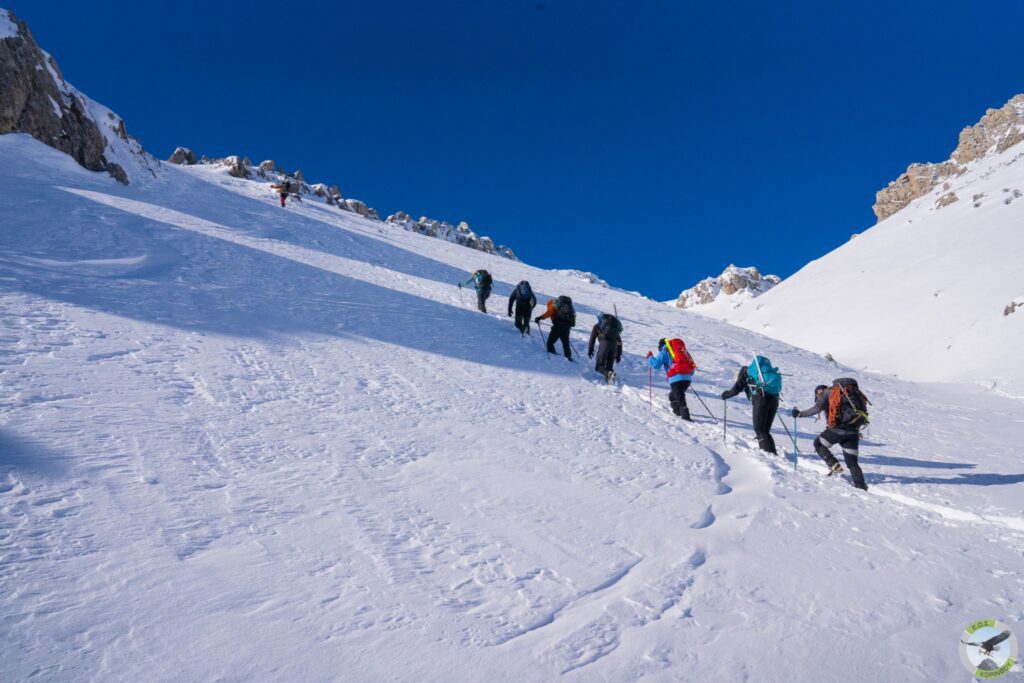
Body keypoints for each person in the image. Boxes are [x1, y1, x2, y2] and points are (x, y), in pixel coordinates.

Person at [791, 378, 870, 491]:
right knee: (853, 463)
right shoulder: (856, 393)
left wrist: (800, 414)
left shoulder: (830, 392)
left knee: (818, 444)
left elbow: (817, 408)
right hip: (853, 432)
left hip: (837, 430)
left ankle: (833, 464)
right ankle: (861, 487)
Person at [720, 356, 782, 455]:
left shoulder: (745, 372)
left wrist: (725, 395)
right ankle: (773, 453)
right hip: (774, 399)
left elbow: (736, 389)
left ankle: (767, 454)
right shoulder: (767, 374)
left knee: (759, 430)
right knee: (765, 430)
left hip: (761, 399)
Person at [647, 338, 696, 421]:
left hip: (675, 378)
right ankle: (677, 412)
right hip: (687, 378)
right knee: (673, 396)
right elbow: (691, 364)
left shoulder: (664, 351)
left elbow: (656, 365)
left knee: (680, 397)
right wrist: (687, 375)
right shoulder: (682, 351)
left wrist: (650, 357)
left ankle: (685, 417)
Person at [535, 295, 576, 360]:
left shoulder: (552, 305)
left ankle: (553, 356)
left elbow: (548, 313)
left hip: (558, 326)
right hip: (567, 327)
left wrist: (540, 318)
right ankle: (568, 356)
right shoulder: (567, 306)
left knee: (550, 342)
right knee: (565, 343)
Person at [588, 313, 622, 382]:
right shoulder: (614, 328)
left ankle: (608, 374)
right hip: (614, 347)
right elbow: (620, 343)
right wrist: (618, 355)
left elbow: (592, 339)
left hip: (605, 345)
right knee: (609, 367)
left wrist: (590, 350)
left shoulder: (597, 326)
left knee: (599, 366)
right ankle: (610, 381)